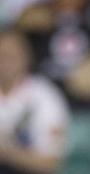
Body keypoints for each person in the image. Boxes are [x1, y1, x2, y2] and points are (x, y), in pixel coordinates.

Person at [0, 28, 70, 174]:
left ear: (26, 57)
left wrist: (6, 152)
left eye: (12, 55)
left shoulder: (45, 96)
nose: (6, 61)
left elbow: (50, 163)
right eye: (2, 55)